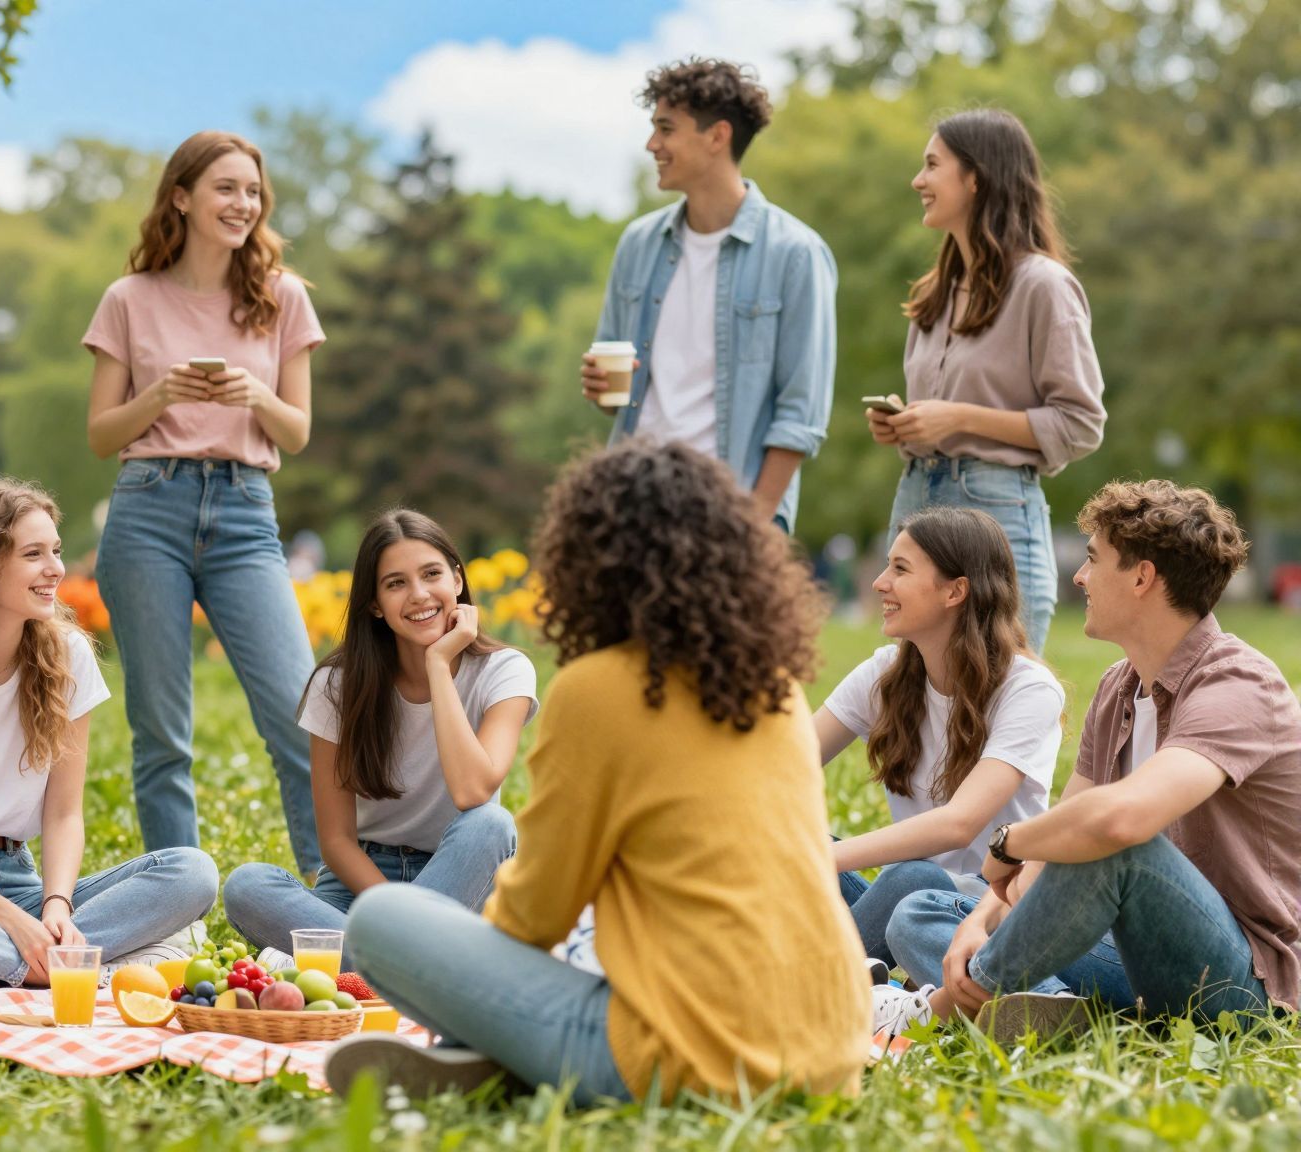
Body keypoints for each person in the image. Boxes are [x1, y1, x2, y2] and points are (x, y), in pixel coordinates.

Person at [326, 441, 867, 1106]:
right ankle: (492, 1060)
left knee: (381, 920)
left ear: (588, 559)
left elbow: (532, 915)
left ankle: (497, 1055)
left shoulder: (597, 690)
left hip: (691, 1062)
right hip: (831, 1050)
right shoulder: (775, 690)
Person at [877, 480, 1301, 1043]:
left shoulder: (1238, 684)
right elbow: (1053, 845)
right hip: (1134, 954)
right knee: (925, 908)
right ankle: (1054, 1008)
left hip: (1242, 981)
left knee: (1118, 848)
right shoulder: (1118, 689)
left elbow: (1118, 823)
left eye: (1094, 559)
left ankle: (936, 1015)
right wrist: (981, 918)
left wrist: (1010, 842)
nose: (1078, 577)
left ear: (1142, 577)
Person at [0, 480, 219, 999]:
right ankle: (62, 966)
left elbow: (64, 815)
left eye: (55, 550)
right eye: (33, 554)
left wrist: (54, 907)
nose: (56, 569)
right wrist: (14, 924)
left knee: (192, 871)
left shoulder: (68, 657)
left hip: (17, 877)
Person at [83, 129, 325, 875]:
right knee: (162, 734)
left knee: (301, 718)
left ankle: (337, 895)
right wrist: (160, 394)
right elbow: (99, 434)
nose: (243, 204)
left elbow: (299, 431)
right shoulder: (130, 299)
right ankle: (174, 904)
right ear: (181, 198)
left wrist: (255, 394)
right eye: (226, 188)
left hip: (246, 514)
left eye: (253, 191)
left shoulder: (281, 297)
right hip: (148, 509)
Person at [222, 510, 531, 964]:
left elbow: (473, 791)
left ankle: (364, 964)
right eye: (396, 583)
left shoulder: (504, 670)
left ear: (458, 580)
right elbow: (336, 840)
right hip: (361, 884)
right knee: (246, 886)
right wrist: (391, 915)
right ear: (374, 604)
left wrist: (439, 667)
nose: (420, 595)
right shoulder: (337, 684)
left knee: (492, 823)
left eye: (431, 574)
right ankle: (414, 963)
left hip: (459, 874)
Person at [866, 108, 1107, 652]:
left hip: (996, 508)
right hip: (916, 498)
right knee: (915, 693)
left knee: (999, 692)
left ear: (975, 178)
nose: (918, 180)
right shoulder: (935, 291)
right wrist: (906, 426)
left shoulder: (1043, 286)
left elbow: (1081, 423)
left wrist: (956, 418)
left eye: (932, 165)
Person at [580, 57, 836, 531]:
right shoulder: (638, 243)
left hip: (733, 514)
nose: (651, 144)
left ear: (717, 136)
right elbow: (617, 397)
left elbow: (800, 414)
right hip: (631, 508)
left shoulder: (796, 254)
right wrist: (601, 389)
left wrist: (752, 529)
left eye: (666, 129)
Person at [824, 507, 1064, 968]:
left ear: (956, 590)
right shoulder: (883, 675)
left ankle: (803, 984)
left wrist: (812, 861)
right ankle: (859, 980)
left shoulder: (1028, 689)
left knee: (909, 879)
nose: (879, 583)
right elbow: (789, 762)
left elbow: (959, 823)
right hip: (900, 897)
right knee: (793, 845)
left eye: (900, 569)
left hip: (981, 910)